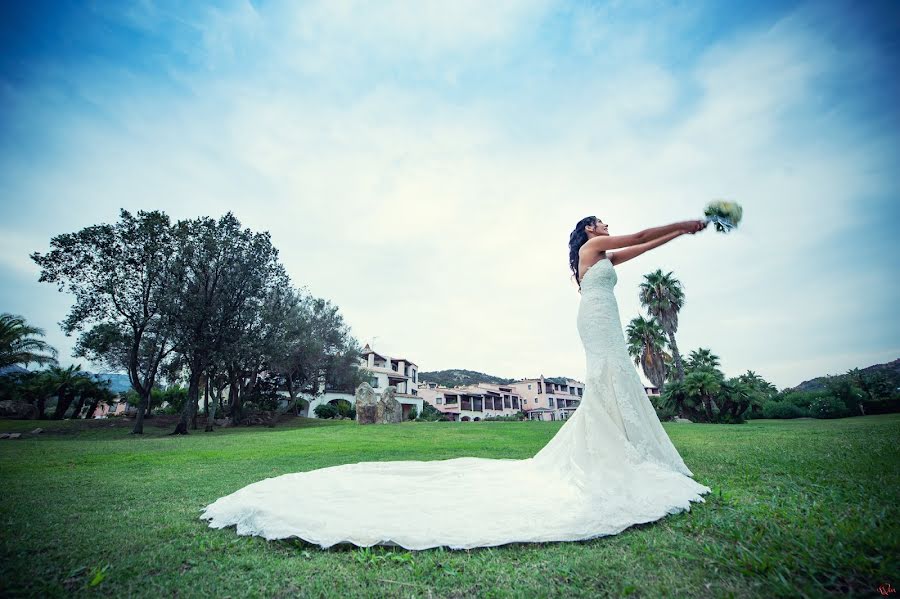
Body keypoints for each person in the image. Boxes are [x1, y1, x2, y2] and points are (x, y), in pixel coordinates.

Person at [200, 216, 712, 551]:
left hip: (603, 317)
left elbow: (643, 248)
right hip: (597, 318)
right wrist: (685, 222)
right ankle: (617, 455)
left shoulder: (603, 259)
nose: (608, 225)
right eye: (602, 220)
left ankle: (621, 450)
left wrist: (681, 236)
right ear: (589, 230)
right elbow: (636, 237)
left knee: (613, 381)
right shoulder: (597, 245)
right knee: (607, 379)